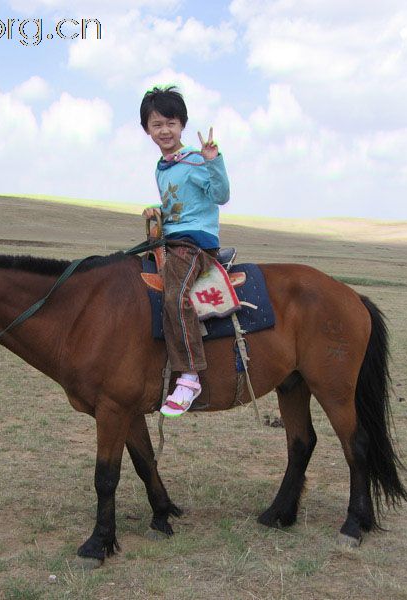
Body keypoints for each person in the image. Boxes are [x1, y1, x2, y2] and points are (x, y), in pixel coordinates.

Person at [139, 86, 230, 417]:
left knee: (176, 296)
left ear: (182, 125)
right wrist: (157, 216)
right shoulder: (161, 167)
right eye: (156, 124)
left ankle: (190, 376)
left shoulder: (195, 160)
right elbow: (176, 205)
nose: (164, 130)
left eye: (171, 123)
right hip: (172, 239)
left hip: (195, 243)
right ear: (148, 130)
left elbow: (220, 195)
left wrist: (213, 161)